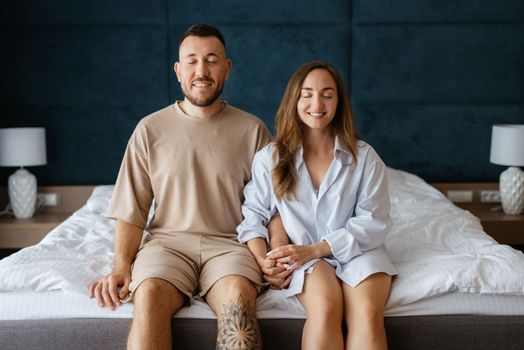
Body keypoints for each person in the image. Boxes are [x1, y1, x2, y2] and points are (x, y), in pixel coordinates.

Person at [88, 24, 272, 349]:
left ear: (227, 68)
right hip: (167, 245)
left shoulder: (253, 130)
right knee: (147, 296)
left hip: (231, 245)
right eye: (192, 61)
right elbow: (133, 210)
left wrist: (276, 258)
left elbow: (275, 208)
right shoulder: (150, 129)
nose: (202, 70)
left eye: (212, 60)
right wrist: (120, 267)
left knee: (239, 299)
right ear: (178, 70)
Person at [237, 60, 398, 350]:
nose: (317, 103)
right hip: (304, 258)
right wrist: (264, 263)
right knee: (325, 308)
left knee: (367, 313)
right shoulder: (270, 158)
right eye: (307, 93)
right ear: (294, 100)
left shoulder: (365, 158)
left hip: (360, 251)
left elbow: (374, 222)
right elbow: (253, 219)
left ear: (339, 102)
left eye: (327, 93)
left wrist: (317, 248)